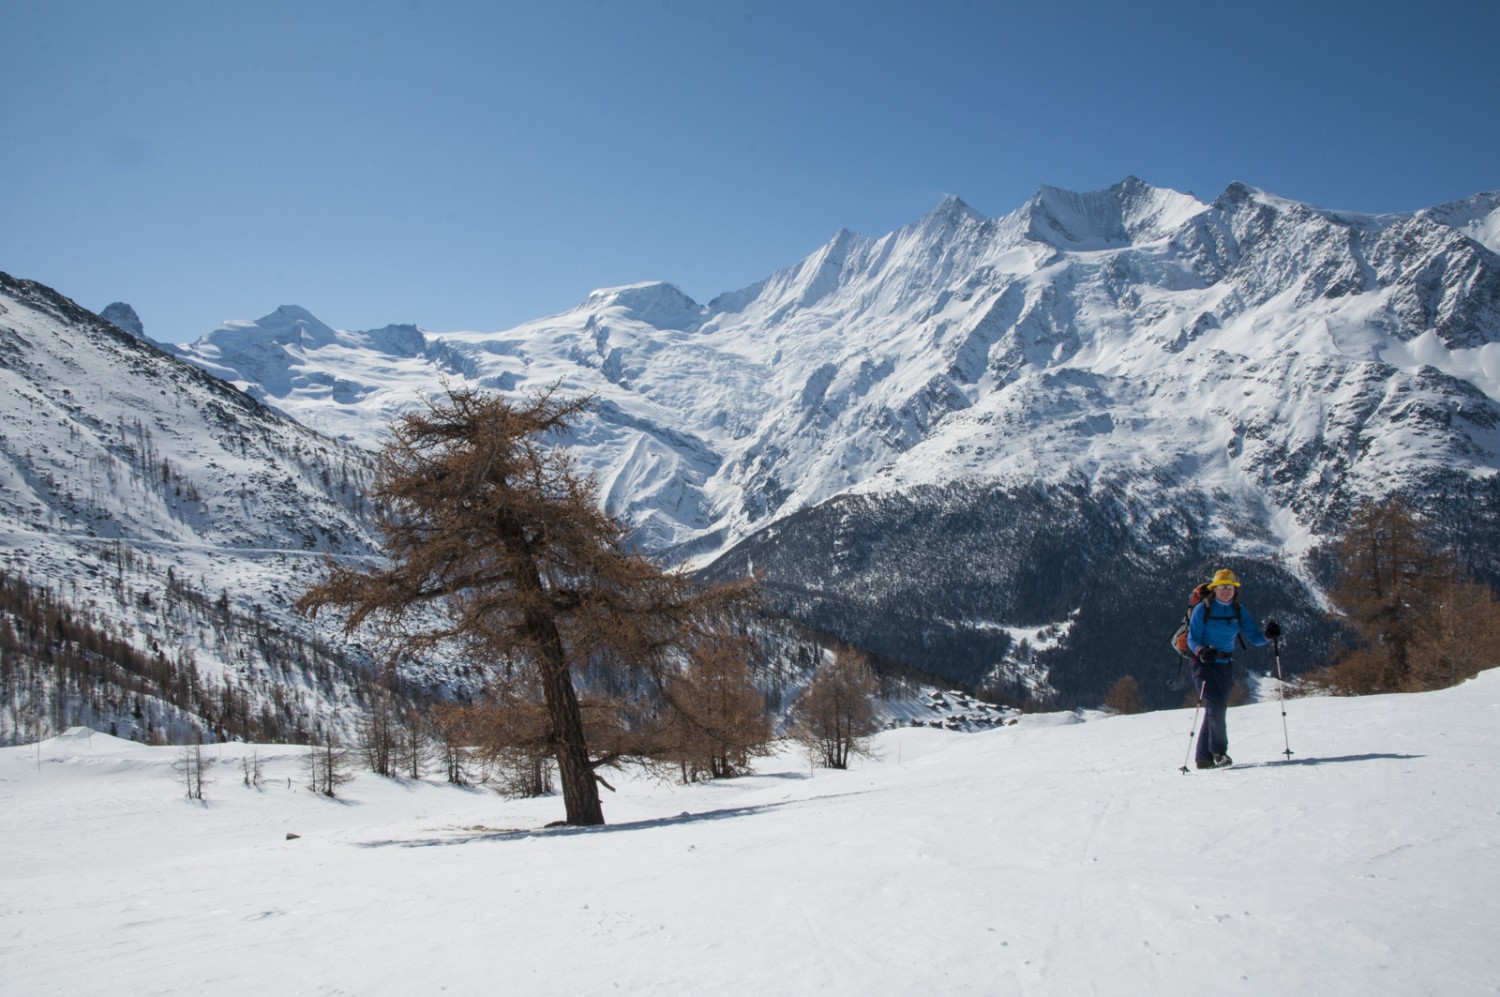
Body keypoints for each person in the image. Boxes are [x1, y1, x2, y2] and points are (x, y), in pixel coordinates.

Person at [1186, 569, 1281, 769]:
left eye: (1229, 587)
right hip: (1202, 665)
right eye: (1222, 587)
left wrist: (1268, 635)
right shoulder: (1202, 609)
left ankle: (1203, 758)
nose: (1226, 591)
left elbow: (1255, 638)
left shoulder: (1238, 611)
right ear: (1214, 589)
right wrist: (1202, 651)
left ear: (1234, 589)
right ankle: (1219, 753)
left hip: (1225, 666)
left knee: (1215, 709)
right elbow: (1192, 638)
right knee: (1216, 706)